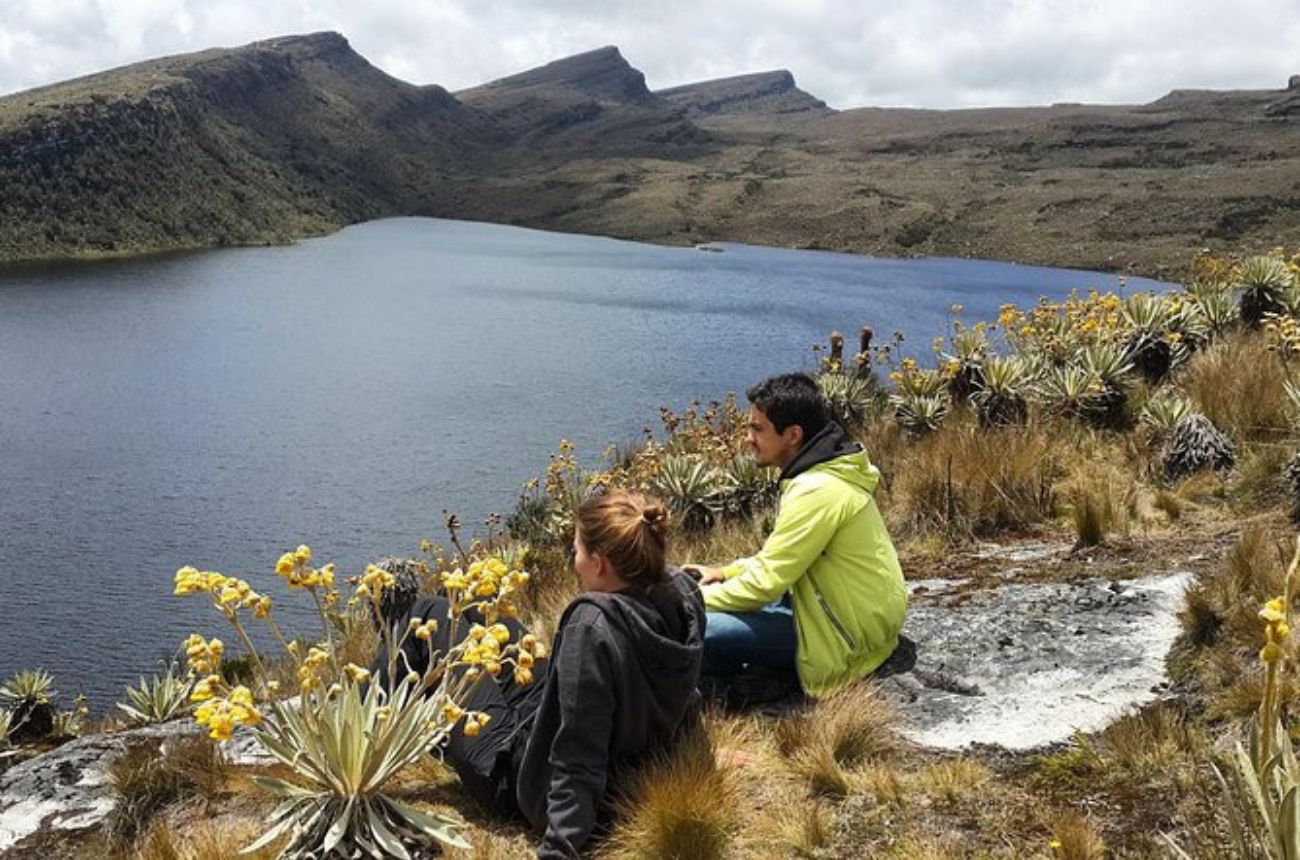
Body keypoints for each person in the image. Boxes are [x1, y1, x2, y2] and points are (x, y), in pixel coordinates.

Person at [388, 490, 706, 859]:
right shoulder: (684, 591)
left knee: (429, 611)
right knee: (472, 609)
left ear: (600, 563)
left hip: (516, 771)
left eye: (576, 551)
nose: (574, 560)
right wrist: (694, 742)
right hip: (563, 731)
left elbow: (578, 755)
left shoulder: (593, 626)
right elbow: (682, 685)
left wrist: (560, 848)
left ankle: (358, 740)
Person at [683, 372, 906, 699]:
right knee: (707, 602)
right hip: (860, 618)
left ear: (793, 435)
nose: (748, 438)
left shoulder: (815, 490)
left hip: (845, 638)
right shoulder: (824, 472)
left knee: (699, 626)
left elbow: (765, 585)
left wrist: (683, 601)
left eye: (757, 429)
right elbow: (782, 558)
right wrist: (724, 573)